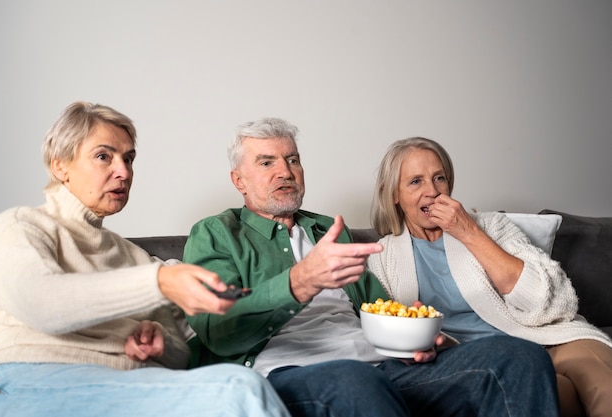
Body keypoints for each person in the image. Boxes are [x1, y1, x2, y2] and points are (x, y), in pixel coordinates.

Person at [182, 117, 561, 417]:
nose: (285, 171)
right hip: (290, 373)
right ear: (239, 181)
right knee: (354, 380)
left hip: (382, 367)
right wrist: (299, 281)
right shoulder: (216, 234)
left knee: (517, 356)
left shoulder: (329, 229)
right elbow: (217, 331)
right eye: (267, 162)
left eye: (292, 159)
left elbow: (376, 308)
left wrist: (416, 336)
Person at [0, 101, 290, 417]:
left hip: (121, 386)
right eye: (103, 156)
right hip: (25, 381)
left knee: (240, 383)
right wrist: (159, 281)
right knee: (237, 389)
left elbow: (179, 356)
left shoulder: (132, 256)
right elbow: (42, 303)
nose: (123, 171)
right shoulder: (20, 225)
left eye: (128, 158)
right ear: (60, 164)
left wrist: (162, 347)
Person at [367, 136, 612, 417]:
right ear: (394, 195)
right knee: (553, 393)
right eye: (415, 182)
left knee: (605, 386)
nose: (432, 191)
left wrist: (469, 233)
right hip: (487, 360)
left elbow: (556, 303)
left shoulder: (491, 225)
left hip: (550, 338)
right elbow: (391, 337)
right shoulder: (381, 257)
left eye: (439, 178)